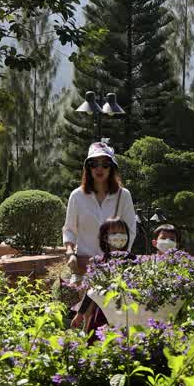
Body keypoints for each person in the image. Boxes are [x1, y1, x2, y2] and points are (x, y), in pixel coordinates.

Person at [63, 142, 137, 271]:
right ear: (88, 168)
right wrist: (70, 253)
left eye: (105, 164)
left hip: (114, 266)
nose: (99, 169)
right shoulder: (77, 196)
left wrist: (120, 258)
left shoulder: (124, 195)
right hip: (84, 265)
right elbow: (70, 229)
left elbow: (130, 230)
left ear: (112, 168)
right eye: (94, 164)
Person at [69, 217, 133, 332]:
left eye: (123, 233)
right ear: (105, 237)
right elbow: (90, 292)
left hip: (127, 313)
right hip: (102, 315)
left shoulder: (134, 261)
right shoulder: (98, 262)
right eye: (114, 233)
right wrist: (79, 314)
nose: (119, 236)